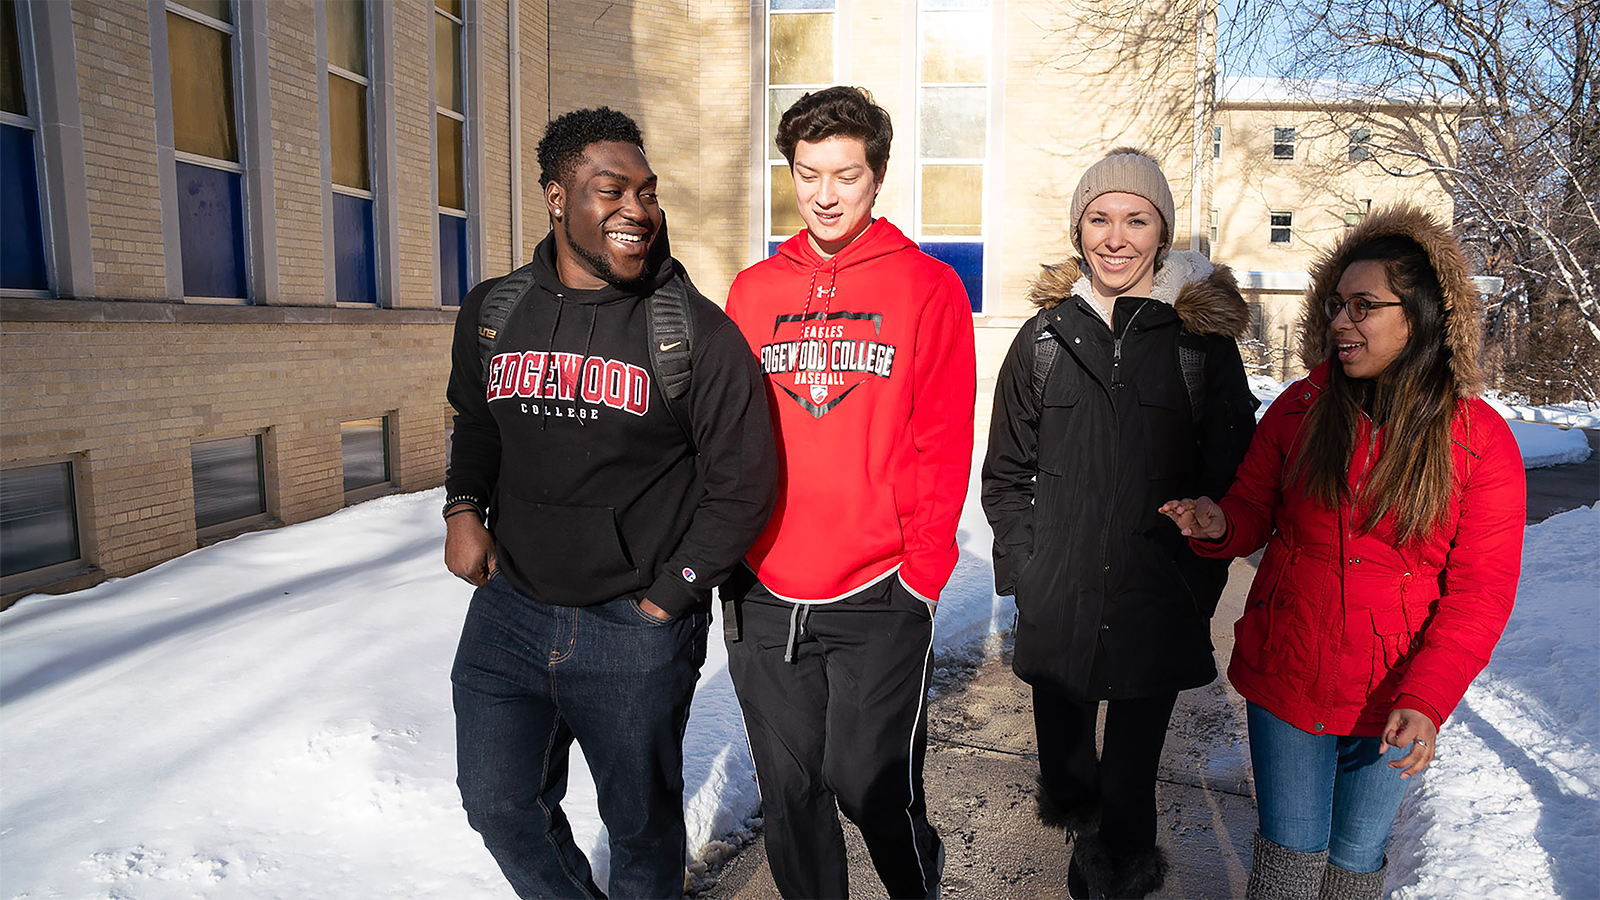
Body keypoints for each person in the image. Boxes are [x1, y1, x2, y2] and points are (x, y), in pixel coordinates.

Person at [442, 107, 776, 900]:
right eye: (611, 189)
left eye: (648, 192)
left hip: (633, 628)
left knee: (640, 830)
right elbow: (477, 423)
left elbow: (745, 483)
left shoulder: (692, 332)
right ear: (557, 197)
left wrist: (672, 598)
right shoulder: (494, 312)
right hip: (509, 614)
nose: (638, 209)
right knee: (498, 804)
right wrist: (463, 508)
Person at [1160, 205, 1525, 900]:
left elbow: (1481, 593)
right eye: (1336, 304)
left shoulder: (1479, 441)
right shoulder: (1301, 408)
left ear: (1418, 316)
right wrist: (1216, 525)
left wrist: (1427, 697)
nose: (1340, 321)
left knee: (1355, 863)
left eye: (1364, 306)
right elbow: (1249, 512)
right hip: (1288, 674)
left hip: (1395, 691)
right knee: (1290, 861)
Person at [981, 148, 1259, 899]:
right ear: (1079, 230)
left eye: (1136, 219)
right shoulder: (1042, 340)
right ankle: (1089, 846)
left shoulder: (1200, 346)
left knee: (1130, 792)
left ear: (1161, 231)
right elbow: (1006, 471)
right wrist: (1026, 573)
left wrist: (1195, 576)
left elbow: (1234, 474)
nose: (1116, 236)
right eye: (1099, 218)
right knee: (1071, 780)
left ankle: (1114, 882)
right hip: (1060, 603)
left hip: (1154, 599)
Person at [722, 85, 976, 900]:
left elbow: (944, 439)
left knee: (869, 785)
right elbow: (725, 435)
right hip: (765, 589)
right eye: (807, 174)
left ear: (878, 176)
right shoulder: (752, 292)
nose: (825, 195)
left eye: (846, 176)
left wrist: (922, 576)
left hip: (879, 589)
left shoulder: (926, 287)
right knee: (791, 798)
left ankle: (915, 880)